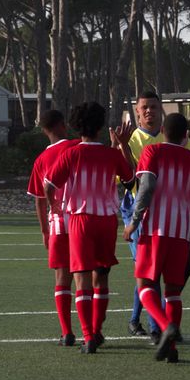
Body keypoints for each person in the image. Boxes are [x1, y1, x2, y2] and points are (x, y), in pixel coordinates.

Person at [44, 102, 135, 354]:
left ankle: (88, 336)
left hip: (80, 220)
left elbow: (49, 185)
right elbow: (130, 181)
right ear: (100, 126)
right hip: (106, 220)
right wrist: (123, 145)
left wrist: (54, 207)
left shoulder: (71, 154)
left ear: (76, 125)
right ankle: (97, 330)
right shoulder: (112, 154)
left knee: (81, 277)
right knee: (102, 275)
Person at [122, 113, 190, 363]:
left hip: (155, 231)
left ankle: (165, 327)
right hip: (182, 234)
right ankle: (171, 349)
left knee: (144, 285)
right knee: (173, 292)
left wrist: (133, 223)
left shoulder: (153, 152)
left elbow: (146, 188)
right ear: (186, 136)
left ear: (163, 130)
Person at [26, 109, 79, 346]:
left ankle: (66, 332)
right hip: (82, 219)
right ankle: (91, 331)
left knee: (62, 277)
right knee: (85, 277)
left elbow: (39, 199)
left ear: (44, 130)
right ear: (63, 125)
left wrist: (44, 231)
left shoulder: (40, 160)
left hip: (57, 223)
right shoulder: (79, 146)